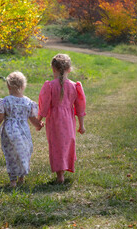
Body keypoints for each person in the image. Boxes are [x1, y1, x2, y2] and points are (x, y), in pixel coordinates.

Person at [37, 53, 86, 183]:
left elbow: (44, 105)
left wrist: (39, 119)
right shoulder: (75, 86)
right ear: (69, 69)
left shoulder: (50, 86)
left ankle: (60, 176)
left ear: (53, 69)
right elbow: (80, 108)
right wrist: (81, 125)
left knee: (57, 145)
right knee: (66, 144)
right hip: (69, 121)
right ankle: (63, 172)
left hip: (54, 121)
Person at [0, 71, 43, 187]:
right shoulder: (28, 102)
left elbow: (0, 117)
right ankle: (21, 177)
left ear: (8, 86)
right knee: (23, 151)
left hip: (9, 132)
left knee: (11, 154)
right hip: (24, 131)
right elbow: (32, 118)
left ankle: (13, 180)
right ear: (24, 86)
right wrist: (38, 125)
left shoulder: (6, 101)